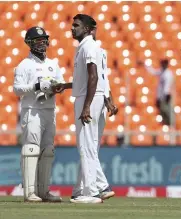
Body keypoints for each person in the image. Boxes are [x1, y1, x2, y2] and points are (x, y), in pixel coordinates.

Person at [14, 26, 65, 202]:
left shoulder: (53, 64)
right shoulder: (24, 65)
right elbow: (16, 89)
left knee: (48, 150)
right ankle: (30, 193)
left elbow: (61, 84)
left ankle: (44, 191)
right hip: (32, 110)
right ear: (29, 43)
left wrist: (56, 88)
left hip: (49, 109)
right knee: (31, 148)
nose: (42, 44)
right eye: (38, 41)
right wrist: (36, 86)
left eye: (44, 40)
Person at [70, 22, 117, 202]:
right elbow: (103, 77)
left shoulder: (89, 47)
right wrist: (108, 98)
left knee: (86, 145)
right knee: (90, 145)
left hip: (89, 97)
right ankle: (80, 188)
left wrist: (87, 105)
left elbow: (94, 76)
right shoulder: (97, 49)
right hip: (98, 96)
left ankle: (96, 188)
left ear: (89, 29)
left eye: (76, 25)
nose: (72, 28)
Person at [137, 59, 174, 125]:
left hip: (166, 95)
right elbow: (153, 72)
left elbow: (167, 85)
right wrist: (144, 64)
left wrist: (167, 94)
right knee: (162, 110)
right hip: (161, 96)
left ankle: (170, 123)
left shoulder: (168, 73)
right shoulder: (161, 72)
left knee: (166, 110)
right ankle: (165, 123)